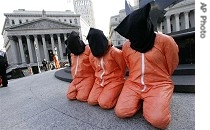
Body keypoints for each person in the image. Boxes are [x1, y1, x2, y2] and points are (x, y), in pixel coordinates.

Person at [113, 3, 179, 129]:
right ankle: (142, 102)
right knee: (121, 112)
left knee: (159, 121)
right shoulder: (127, 46)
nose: (131, 39)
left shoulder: (165, 41)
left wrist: (162, 77)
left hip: (159, 84)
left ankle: (155, 101)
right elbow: (129, 64)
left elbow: (172, 62)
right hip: (133, 83)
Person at [86, 28, 126, 109]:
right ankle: (109, 93)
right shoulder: (92, 56)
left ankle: (119, 91)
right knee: (91, 101)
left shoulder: (114, 52)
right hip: (99, 82)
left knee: (104, 103)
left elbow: (123, 66)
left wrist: (119, 78)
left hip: (114, 81)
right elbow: (95, 69)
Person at [65, 31, 95, 102]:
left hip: (87, 77)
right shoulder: (73, 53)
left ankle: (87, 88)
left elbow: (94, 64)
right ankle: (81, 88)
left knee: (81, 97)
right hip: (76, 79)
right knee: (70, 96)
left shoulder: (88, 50)